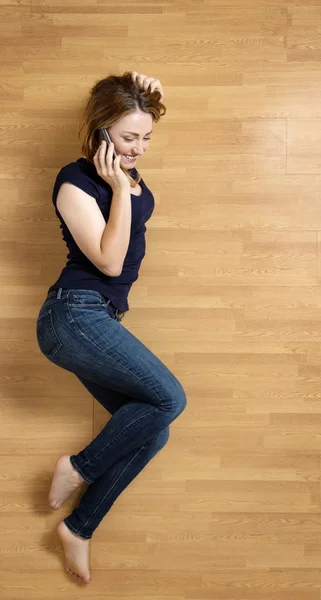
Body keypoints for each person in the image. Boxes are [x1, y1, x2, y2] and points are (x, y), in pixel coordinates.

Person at [36, 71, 187, 585]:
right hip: (70, 314)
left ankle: (78, 528)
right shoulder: (74, 181)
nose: (139, 148)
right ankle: (78, 467)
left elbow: (139, 101)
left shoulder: (128, 174)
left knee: (153, 430)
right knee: (170, 399)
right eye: (128, 137)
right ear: (100, 132)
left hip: (98, 317)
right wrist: (120, 188)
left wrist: (148, 88)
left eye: (146, 137)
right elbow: (108, 260)